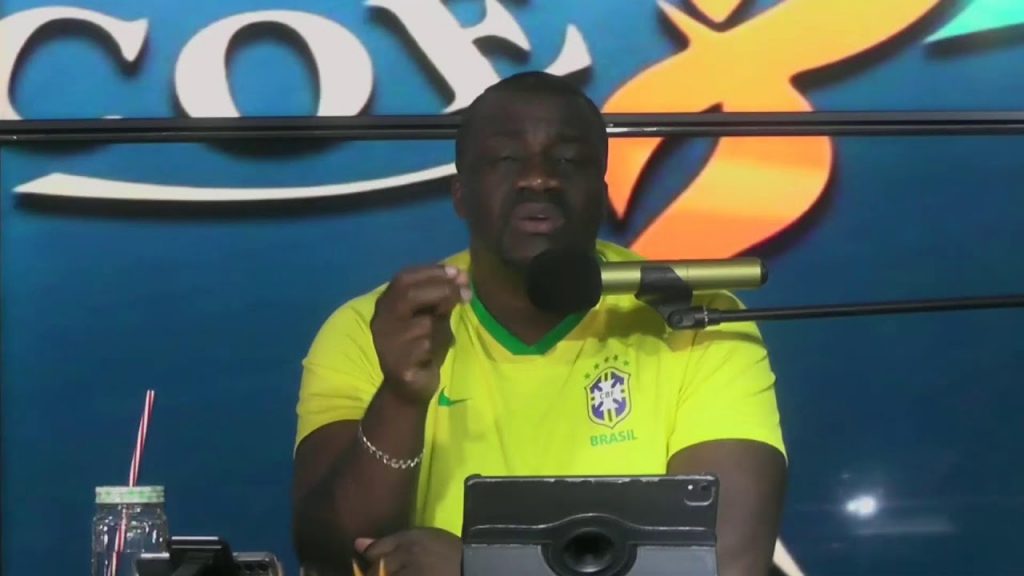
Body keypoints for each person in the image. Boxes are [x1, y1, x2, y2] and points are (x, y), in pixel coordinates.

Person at [291, 71, 787, 576]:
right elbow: (328, 549)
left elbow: (728, 563)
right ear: (461, 194)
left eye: (568, 160)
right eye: (507, 159)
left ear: (601, 194)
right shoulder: (373, 328)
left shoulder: (696, 318)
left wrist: (479, 570)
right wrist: (400, 397)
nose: (539, 178)